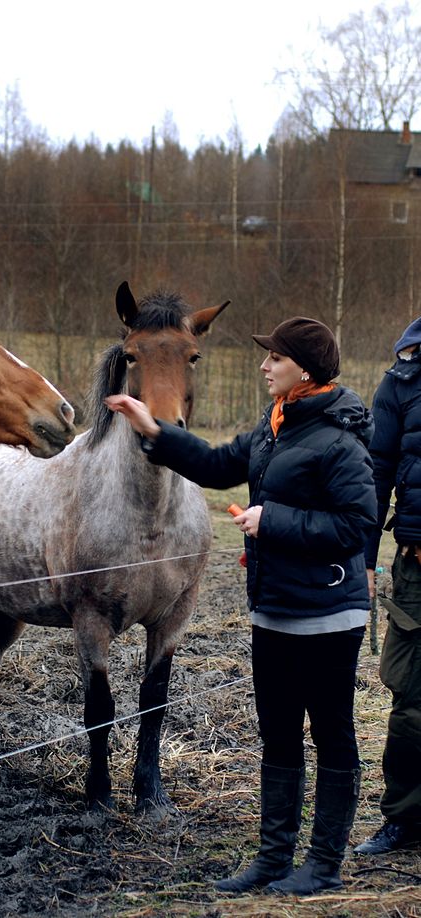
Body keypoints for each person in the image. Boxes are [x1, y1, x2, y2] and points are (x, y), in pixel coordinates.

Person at [106, 316, 376, 896]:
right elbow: (218, 464)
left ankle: (323, 865)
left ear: (304, 368)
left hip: (329, 615)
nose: (263, 365)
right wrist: (155, 431)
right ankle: (274, 858)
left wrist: (271, 520)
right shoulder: (275, 426)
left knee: (331, 735)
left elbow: (357, 525)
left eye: (275, 357)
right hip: (274, 608)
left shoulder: (339, 437)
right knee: (277, 734)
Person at [358, 316, 421, 856]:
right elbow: (377, 470)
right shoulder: (403, 378)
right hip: (417, 565)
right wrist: (364, 560)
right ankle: (406, 818)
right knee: (411, 696)